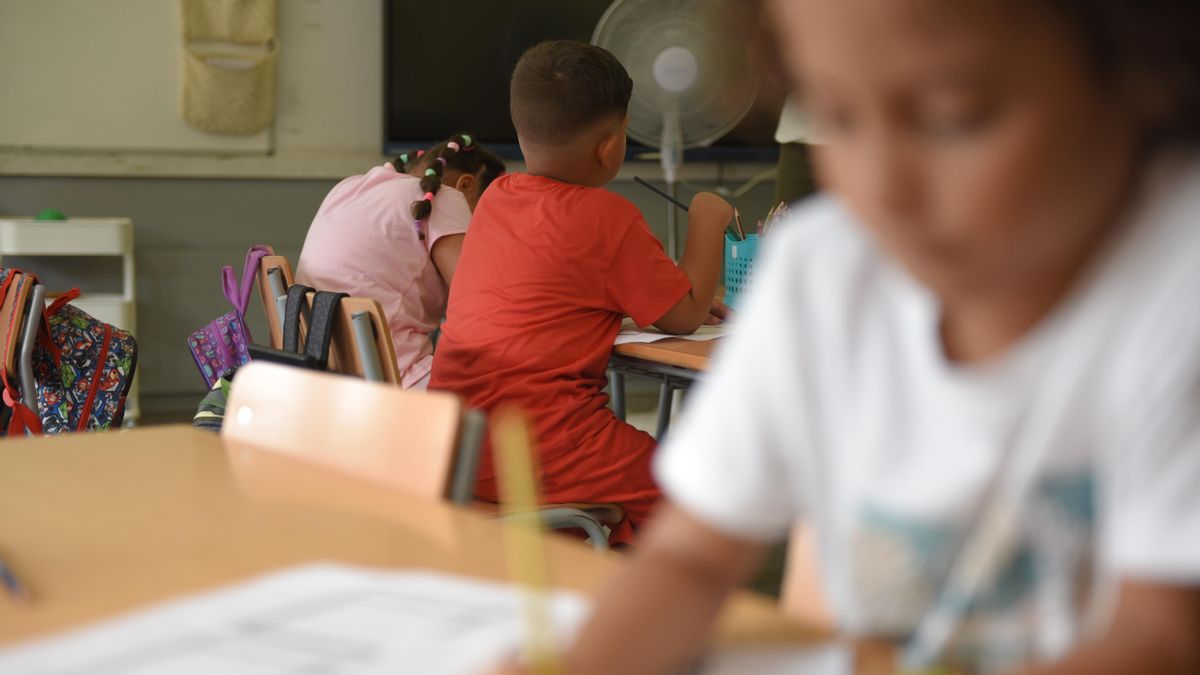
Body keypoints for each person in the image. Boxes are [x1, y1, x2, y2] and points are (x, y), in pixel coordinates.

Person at [499, 0, 1200, 672]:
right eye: (835, 115)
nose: (881, 184)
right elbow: (692, 557)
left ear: (1133, 75)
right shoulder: (824, 269)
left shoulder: (1174, 284)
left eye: (951, 116)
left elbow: (1163, 639)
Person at [430, 40, 731, 545]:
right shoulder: (609, 218)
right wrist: (708, 218)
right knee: (700, 497)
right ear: (609, 147)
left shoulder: (497, 197)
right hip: (546, 446)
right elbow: (683, 316)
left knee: (621, 508)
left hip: (458, 446)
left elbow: (558, 295)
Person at [295, 134, 505, 389]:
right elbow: (477, 304)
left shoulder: (349, 188)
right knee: (507, 387)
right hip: (390, 378)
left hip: (318, 374)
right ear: (466, 185)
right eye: (485, 215)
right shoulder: (445, 197)